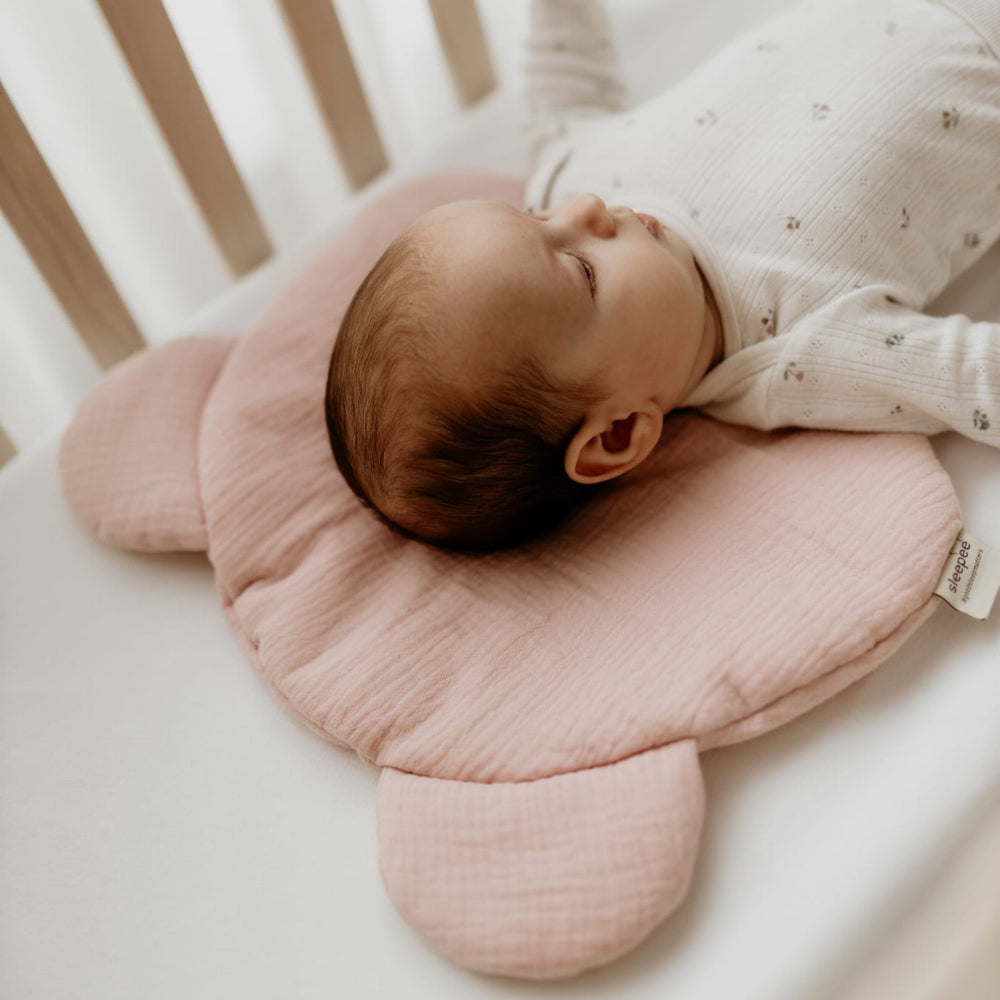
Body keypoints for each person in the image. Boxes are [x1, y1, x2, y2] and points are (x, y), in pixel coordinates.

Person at [326, 0, 1000, 551]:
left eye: (536, 215)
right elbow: (977, 379)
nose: (587, 209)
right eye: (582, 272)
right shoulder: (796, 350)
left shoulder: (570, 174)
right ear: (617, 434)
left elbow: (565, 83)